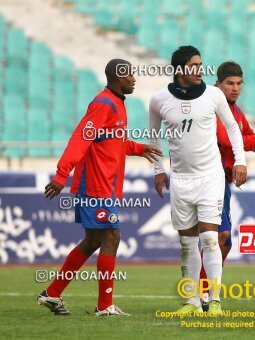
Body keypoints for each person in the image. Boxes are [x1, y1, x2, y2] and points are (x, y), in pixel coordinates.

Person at [37, 59, 163, 316]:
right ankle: (104, 305)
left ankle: (52, 293)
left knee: (94, 240)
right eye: (129, 74)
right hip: (94, 185)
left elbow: (111, 141)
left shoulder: (117, 104)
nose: (134, 78)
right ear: (118, 77)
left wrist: (137, 148)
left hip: (104, 185)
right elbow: (81, 138)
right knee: (111, 236)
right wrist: (62, 174)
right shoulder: (102, 104)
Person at [149, 46, 247, 316]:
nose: (200, 69)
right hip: (180, 180)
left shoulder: (213, 94)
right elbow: (153, 137)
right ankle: (191, 301)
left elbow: (232, 127)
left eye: (201, 64)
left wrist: (240, 161)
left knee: (210, 238)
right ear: (180, 69)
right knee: (187, 243)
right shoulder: (159, 100)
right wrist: (158, 169)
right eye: (194, 65)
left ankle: (214, 300)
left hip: (210, 177)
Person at [199, 61, 255, 310]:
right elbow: (227, 140)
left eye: (238, 84)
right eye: (229, 83)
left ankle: (204, 291)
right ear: (218, 84)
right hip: (206, 177)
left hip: (220, 180)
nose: (235, 88)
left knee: (223, 241)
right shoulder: (214, 107)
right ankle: (204, 294)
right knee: (217, 236)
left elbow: (247, 137)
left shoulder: (235, 110)